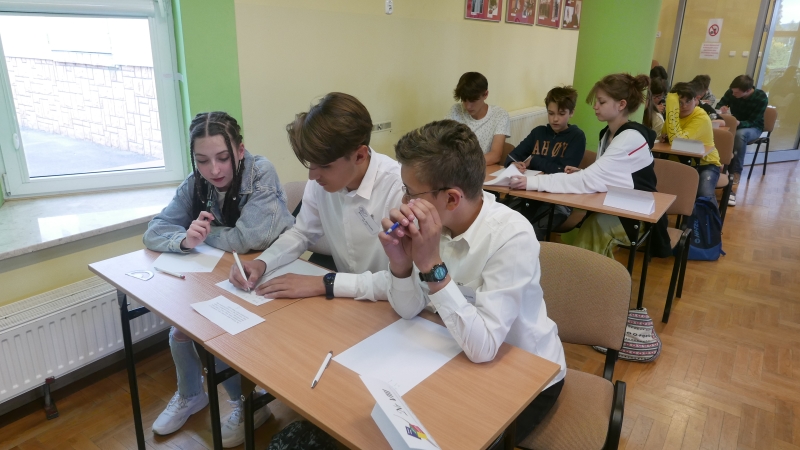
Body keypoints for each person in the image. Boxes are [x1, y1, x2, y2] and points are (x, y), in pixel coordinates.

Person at [378, 120, 566, 444]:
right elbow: (409, 310)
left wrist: (431, 265)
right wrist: (400, 265)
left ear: (452, 199)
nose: (404, 202)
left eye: (410, 192)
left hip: (527, 372)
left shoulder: (512, 236)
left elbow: (484, 348)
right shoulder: (438, 224)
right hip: (459, 351)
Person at [143, 111, 294, 447]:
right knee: (182, 328)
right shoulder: (196, 181)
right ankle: (191, 394)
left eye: (223, 158)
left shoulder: (261, 172)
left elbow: (247, 240)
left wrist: (202, 234)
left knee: (214, 328)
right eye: (202, 161)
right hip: (226, 273)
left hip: (272, 272)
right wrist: (184, 240)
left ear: (240, 150)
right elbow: (154, 230)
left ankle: (250, 404)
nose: (213, 170)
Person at [228, 92, 404, 301]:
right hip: (347, 300)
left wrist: (326, 283)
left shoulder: (399, 189)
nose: (312, 176)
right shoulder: (321, 183)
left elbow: (410, 283)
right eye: (311, 163)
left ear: (359, 155)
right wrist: (262, 262)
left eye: (325, 166)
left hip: (391, 305)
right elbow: (302, 233)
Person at [509, 73, 671, 258]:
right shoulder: (608, 133)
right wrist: (584, 172)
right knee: (591, 226)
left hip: (638, 215)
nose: (595, 106)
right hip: (616, 204)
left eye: (601, 102)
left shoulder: (629, 138)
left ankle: (586, 275)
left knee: (593, 230)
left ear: (621, 105)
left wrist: (531, 182)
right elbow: (612, 175)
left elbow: (589, 180)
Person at [503, 86, 586, 239]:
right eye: (551, 113)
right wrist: (513, 164)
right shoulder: (539, 132)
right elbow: (512, 156)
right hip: (530, 194)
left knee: (532, 234)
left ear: (571, 113)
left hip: (559, 200)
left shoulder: (577, 137)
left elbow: (563, 171)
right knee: (507, 224)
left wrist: (534, 160)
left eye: (561, 114)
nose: (555, 119)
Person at [663, 82, 722, 205]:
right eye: (679, 102)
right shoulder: (673, 115)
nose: (684, 106)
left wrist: (672, 110)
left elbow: (677, 141)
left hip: (706, 163)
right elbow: (664, 137)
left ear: (696, 100)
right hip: (680, 163)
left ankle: (709, 218)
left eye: (688, 101)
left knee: (704, 195)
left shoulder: (701, 117)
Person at [715, 74, 768, 206]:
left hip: (753, 127)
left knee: (739, 135)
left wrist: (739, 123)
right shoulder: (732, 91)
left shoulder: (761, 97)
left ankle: (735, 172)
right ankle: (719, 167)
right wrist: (721, 108)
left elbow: (754, 120)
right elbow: (720, 104)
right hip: (735, 123)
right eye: (733, 91)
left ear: (748, 90)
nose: (733, 94)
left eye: (737, 93)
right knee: (720, 133)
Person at [446, 72, 511, 165]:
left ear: (485, 94)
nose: (468, 106)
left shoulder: (499, 115)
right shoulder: (456, 111)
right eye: (464, 100)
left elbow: (495, 155)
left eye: (473, 101)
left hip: (481, 168)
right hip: (457, 168)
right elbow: (444, 145)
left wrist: (465, 164)